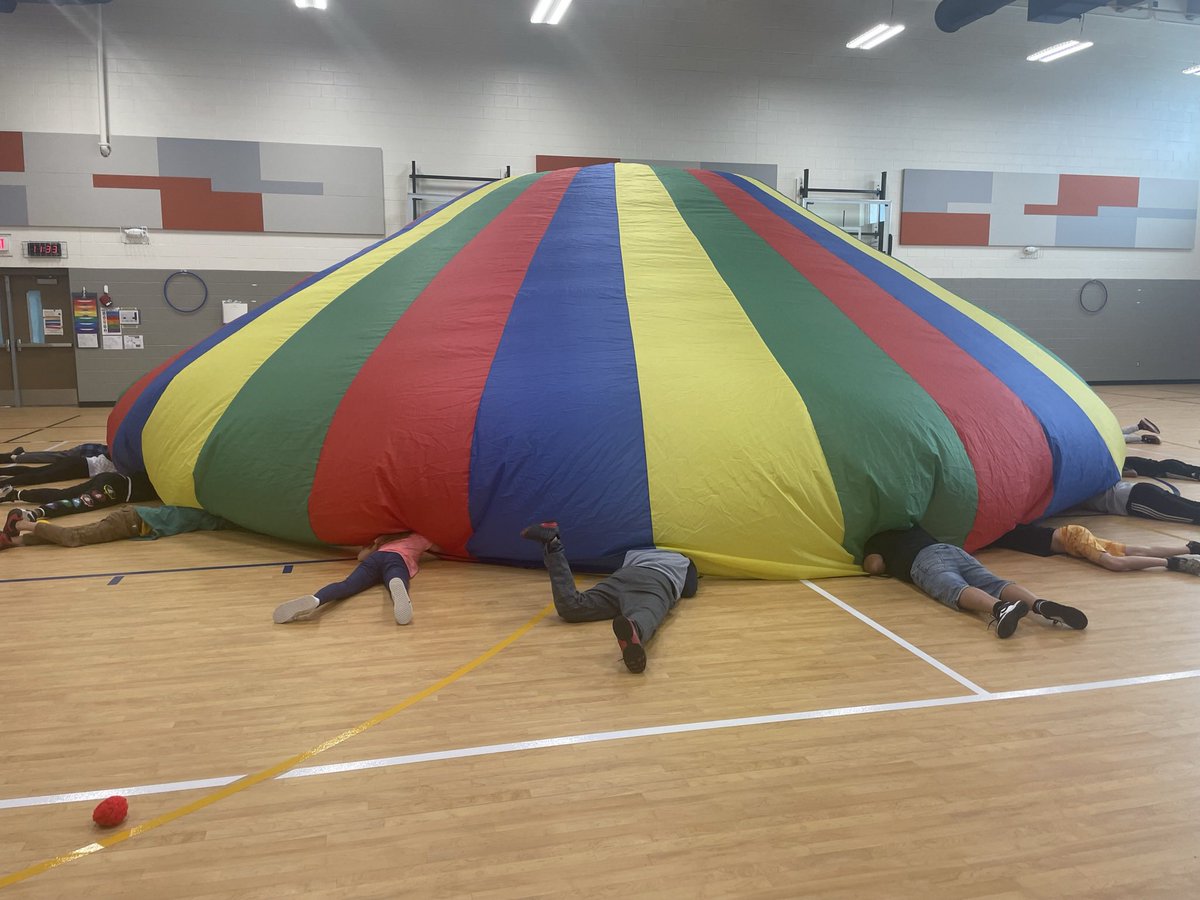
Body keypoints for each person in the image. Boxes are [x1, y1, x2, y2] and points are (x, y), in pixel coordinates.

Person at [520, 520, 698, 673]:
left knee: (573, 606)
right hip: (656, 582)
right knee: (647, 612)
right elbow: (690, 590)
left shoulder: (635, 553)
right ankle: (634, 628)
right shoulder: (684, 561)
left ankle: (553, 544)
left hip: (623, 577)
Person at [862, 524, 1087, 639]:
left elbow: (875, 566)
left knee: (955, 588)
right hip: (951, 550)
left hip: (923, 560)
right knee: (995, 583)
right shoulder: (913, 526)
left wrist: (868, 554)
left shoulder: (876, 538)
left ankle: (999, 609)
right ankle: (1039, 604)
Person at [272, 532, 433, 626]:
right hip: (398, 558)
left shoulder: (385, 537)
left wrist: (375, 545)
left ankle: (316, 599)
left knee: (347, 585)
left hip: (375, 558)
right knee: (396, 576)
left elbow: (360, 557)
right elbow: (441, 547)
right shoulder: (419, 537)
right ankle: (396, 584)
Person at [991, 523, 1200, 575]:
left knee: (1114, 563)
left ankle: (1173, 562)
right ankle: (1189, 548)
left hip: (1073, 538)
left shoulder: (996, 530)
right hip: (1072, 536)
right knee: (1131, 550)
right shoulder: (998, 528)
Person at [0, 504, 231, 550]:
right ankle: (21, 522)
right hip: (129, 522)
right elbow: (217, 523)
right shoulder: (204, 516)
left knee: (79, 532)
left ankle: (15, 541)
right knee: (73, 537)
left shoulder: (196, 510)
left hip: (129, 520)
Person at [0, 471, 157, 520]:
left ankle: (15, 494)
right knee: (81, 503)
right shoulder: (164, 477)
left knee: (63, 494)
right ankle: (36, 513)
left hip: (112, 478)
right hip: (116, 488)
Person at [1072, 480, 1200, 525]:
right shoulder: (1093, 479)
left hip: (1135, 501)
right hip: (1140, 488)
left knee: (1188, 515)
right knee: (1190, 507)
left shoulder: (1077, 494)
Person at [0, 451, 118, 487]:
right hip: (76, 467)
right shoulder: (119, 460)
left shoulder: (118, 457)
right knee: (38, 477)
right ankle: (3, 484)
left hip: (76, 463)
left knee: (35, 472)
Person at [0, 442, 107, 464]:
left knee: (55, 455)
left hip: (89, 449)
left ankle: (22, 455)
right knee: (53, 457)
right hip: (87, 451)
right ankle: (16, 457)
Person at [1123, 456, 1200, 481]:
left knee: (1194, 476)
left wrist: (1119, 473)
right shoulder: (1126, 458)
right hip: (1168, 464)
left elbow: (1133, 473)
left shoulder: (1123, 463)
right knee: (1193, 469)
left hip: (1167, 470)